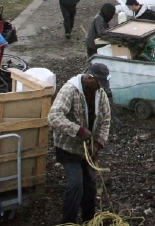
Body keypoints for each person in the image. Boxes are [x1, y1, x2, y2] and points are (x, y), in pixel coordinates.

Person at [48, 63, 112, 225]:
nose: (100, 87)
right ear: (90, 78)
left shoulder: (100, 94)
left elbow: (106, 120)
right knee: (76, 183)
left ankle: (88, 220)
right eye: (98, 83)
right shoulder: (69, 90)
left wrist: (97, 144)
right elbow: (54, 116)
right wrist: (77, 130)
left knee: (90, 184)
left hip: (88, 148)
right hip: (67, 147)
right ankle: (68, 221)